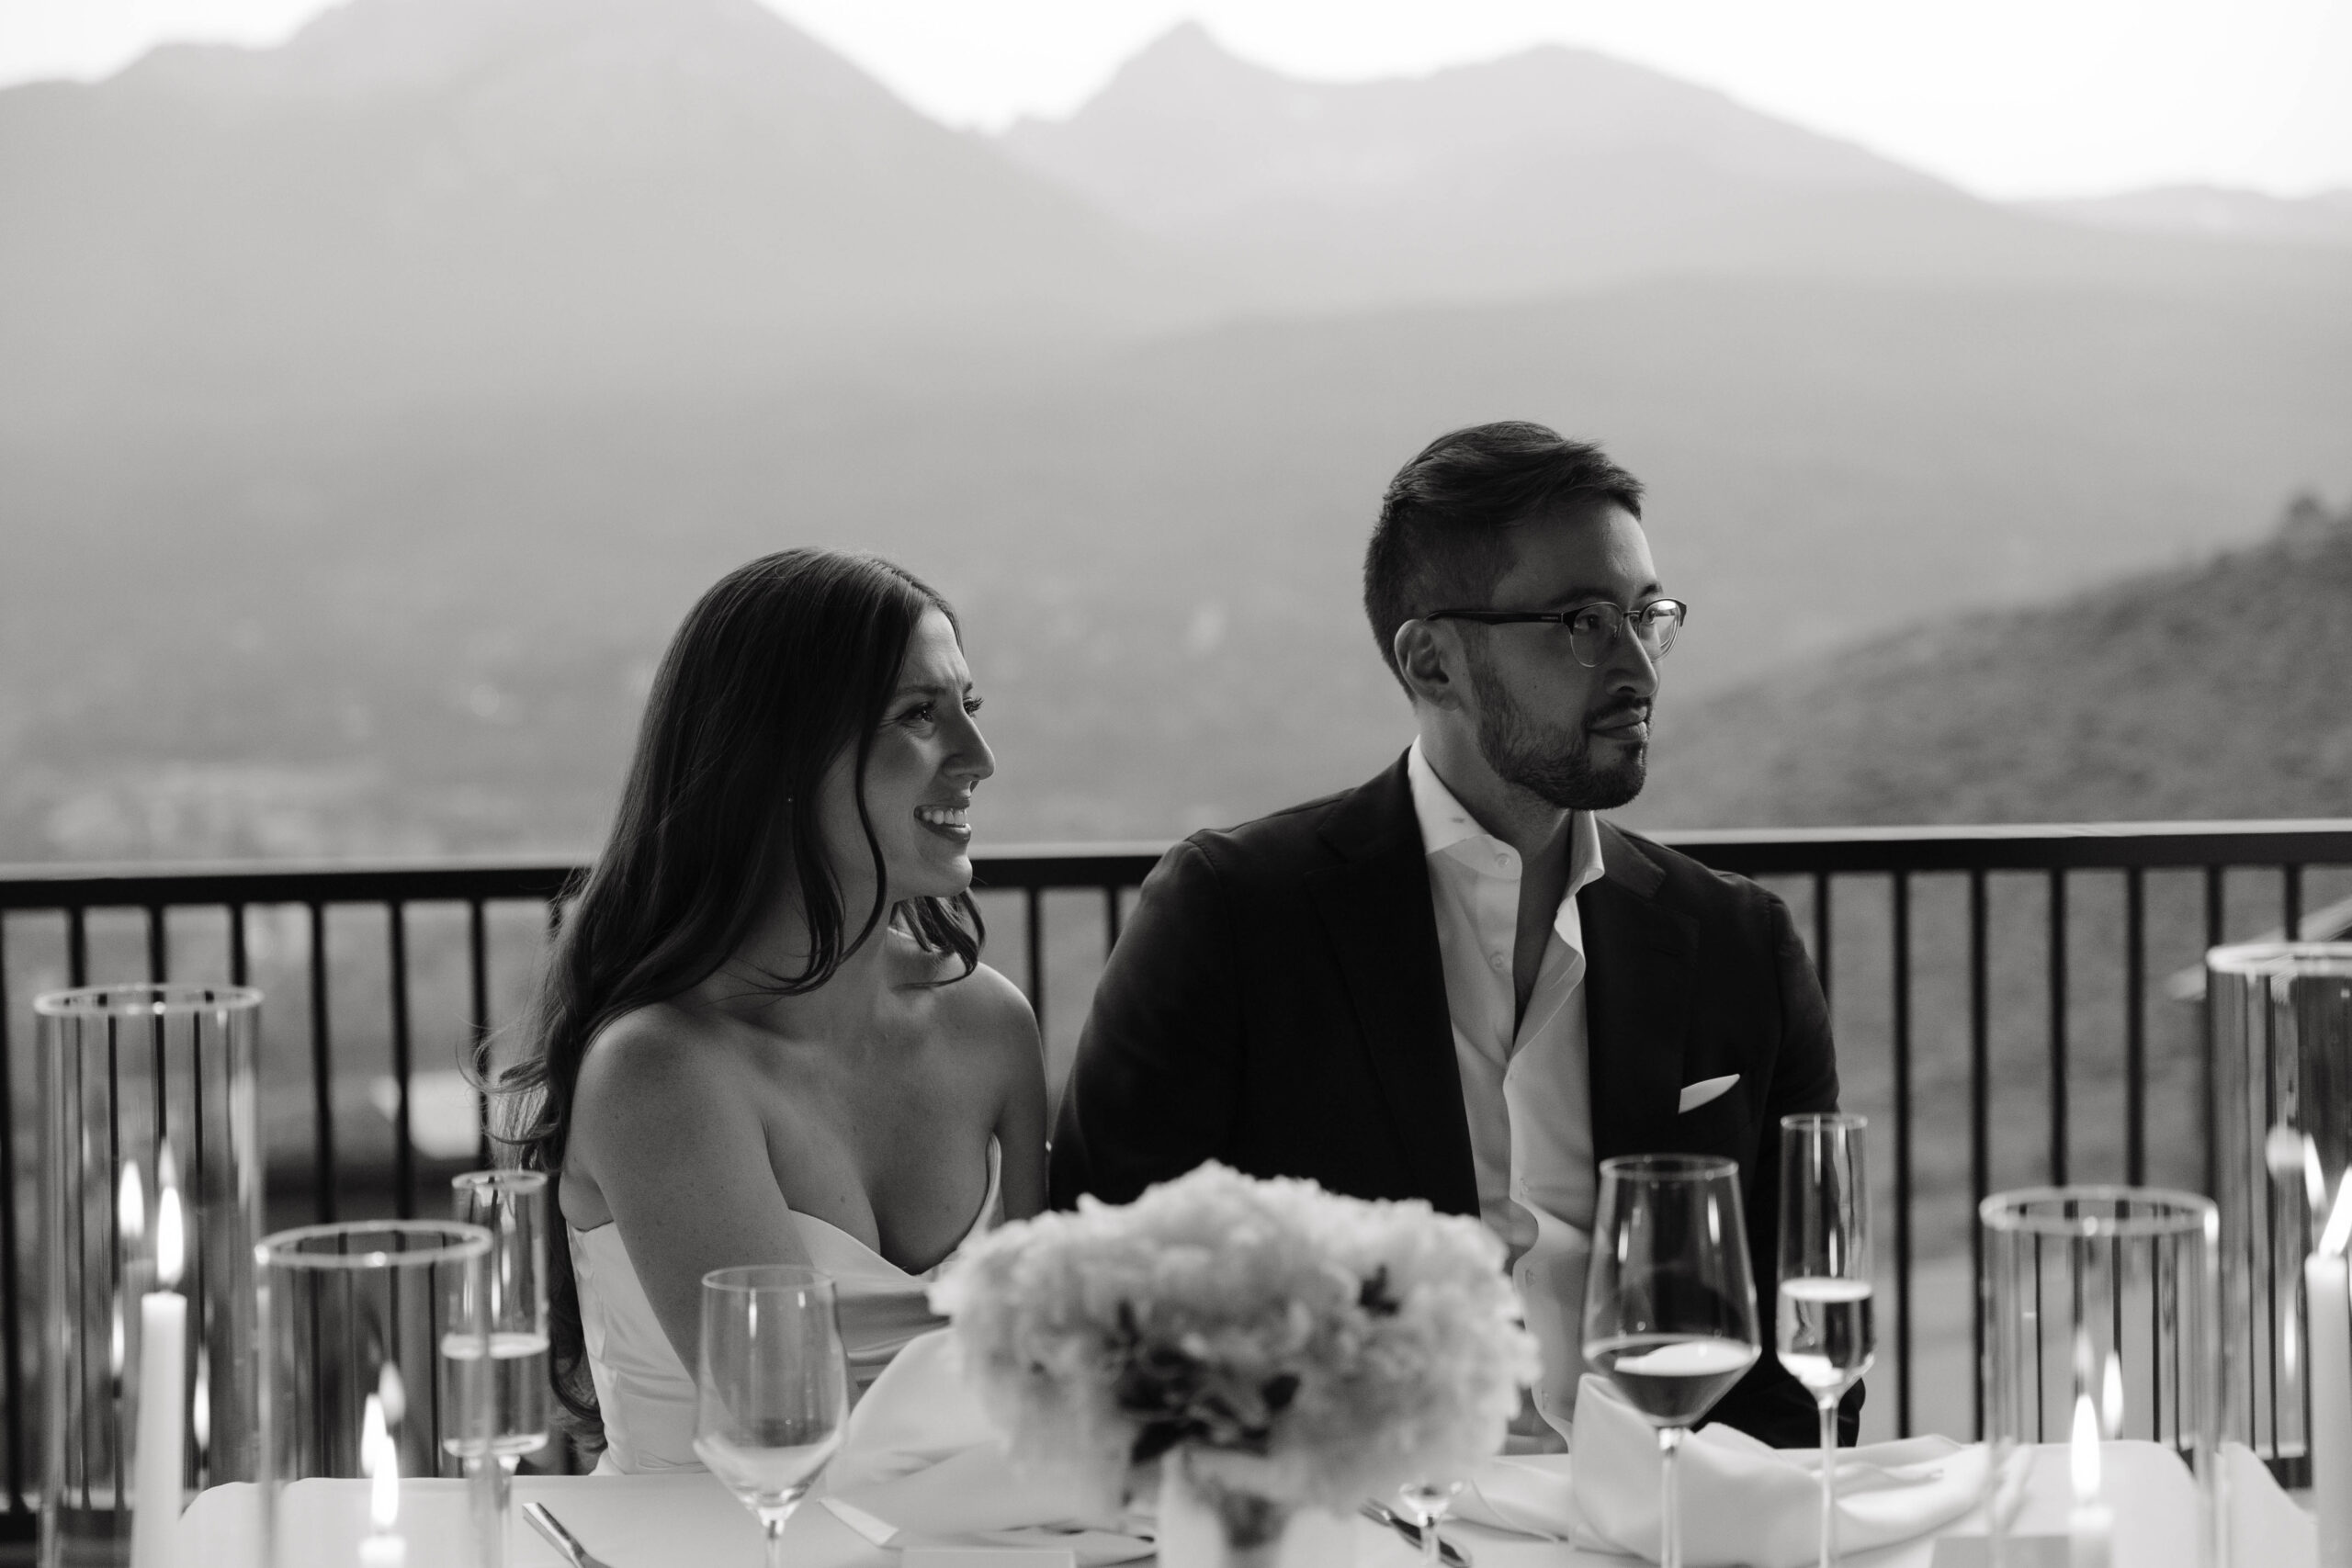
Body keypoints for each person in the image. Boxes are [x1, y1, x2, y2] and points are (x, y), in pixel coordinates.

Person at [1050, 422, 1851, 1449]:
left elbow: (1802, 1366)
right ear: (1432, 662)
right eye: (1579, 621)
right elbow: (1094, 1290)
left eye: (1647, 615)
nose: (1639, 667)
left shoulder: (1738, 944)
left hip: (1662, 1523)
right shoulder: (1234, 917)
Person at [500, 548, 1046, 1472]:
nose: (977, 758)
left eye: (969, 709)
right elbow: (786, 1432)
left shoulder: (989, 1025)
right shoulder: (659, 1069)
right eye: (919, 714)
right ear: (780, 755)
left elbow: (1055, 1373)